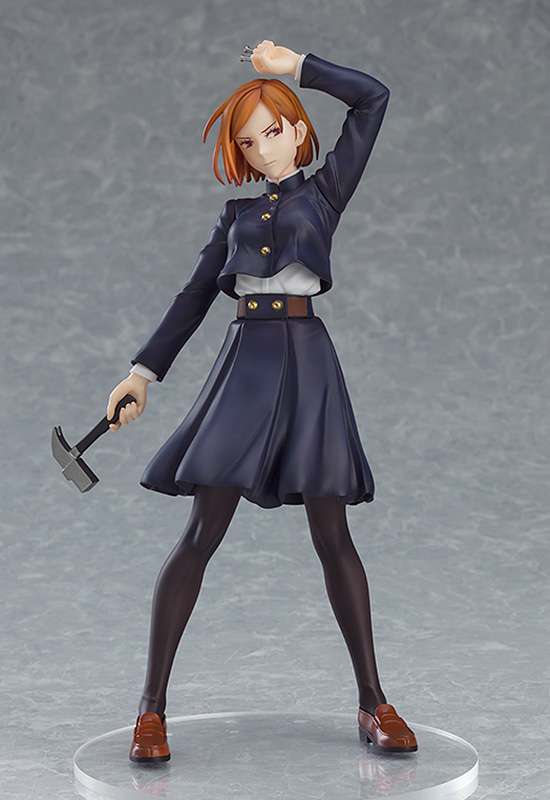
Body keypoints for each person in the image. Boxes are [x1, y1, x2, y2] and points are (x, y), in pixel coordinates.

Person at [107, 40, 417, 761]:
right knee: (201, 532)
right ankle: (150, 709)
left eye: (271, 132)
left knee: (333, 535)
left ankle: (374, 700)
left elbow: (373, 98)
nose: (261, 149)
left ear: (299, 130)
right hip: (245, 363)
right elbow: (193, 298)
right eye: (248, 142)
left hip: (308, 363)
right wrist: (141, 373)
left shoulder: (326, 192)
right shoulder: (236, 215)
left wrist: (295, 67)